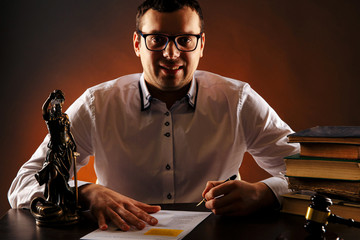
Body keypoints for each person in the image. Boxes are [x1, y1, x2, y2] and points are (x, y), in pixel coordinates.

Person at [8, 0, 299, 232]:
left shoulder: (238, 100)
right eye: (157, 39)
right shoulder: (97, 103)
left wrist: (264, 193)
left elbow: (316, 176)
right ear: (137, 44)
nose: (171, 54)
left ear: (201, 45)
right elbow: (22, 185)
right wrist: (84, 193)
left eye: (185, 40)